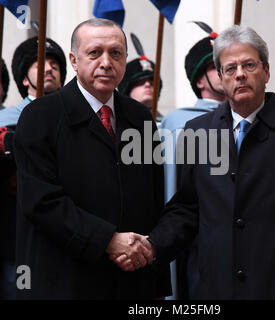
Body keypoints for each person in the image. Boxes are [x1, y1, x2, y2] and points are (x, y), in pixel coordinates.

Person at [114, 24, 275, 299]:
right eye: (230, 69)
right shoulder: (197, 131)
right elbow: (187, 210)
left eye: (249, 65)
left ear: (266, 71)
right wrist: (153, 246)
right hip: (214, 290)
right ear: (221, 79)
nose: (240, 75)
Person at [14, 18, 171, 300]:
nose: (106, 62)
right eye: (95, 52)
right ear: (74, 60)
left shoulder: (140, 118)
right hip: (64, 281)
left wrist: (155, 279)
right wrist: (108, 241)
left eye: (116, 53)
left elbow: (153, 201)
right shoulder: (40, 117)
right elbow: (42, 202)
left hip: (130, 281)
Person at [159, 24, 225, 300]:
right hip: (200, 245)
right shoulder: (180, 122)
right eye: (217, 65)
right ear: (200, 80)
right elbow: (174, 196)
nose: (227, 70)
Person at [0, 38, 66, 300]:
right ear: (24, 79)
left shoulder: (78, 118)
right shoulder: (5, 122)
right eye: (40, 64)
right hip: (17, 241)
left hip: (67, 240)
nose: (49, 68)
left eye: (54, 64)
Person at [118, 35, 163, 124]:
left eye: (152, 82)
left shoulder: (167, 125)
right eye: (140, 82)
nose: (147, 84)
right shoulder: (115, 124)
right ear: (127, 90)